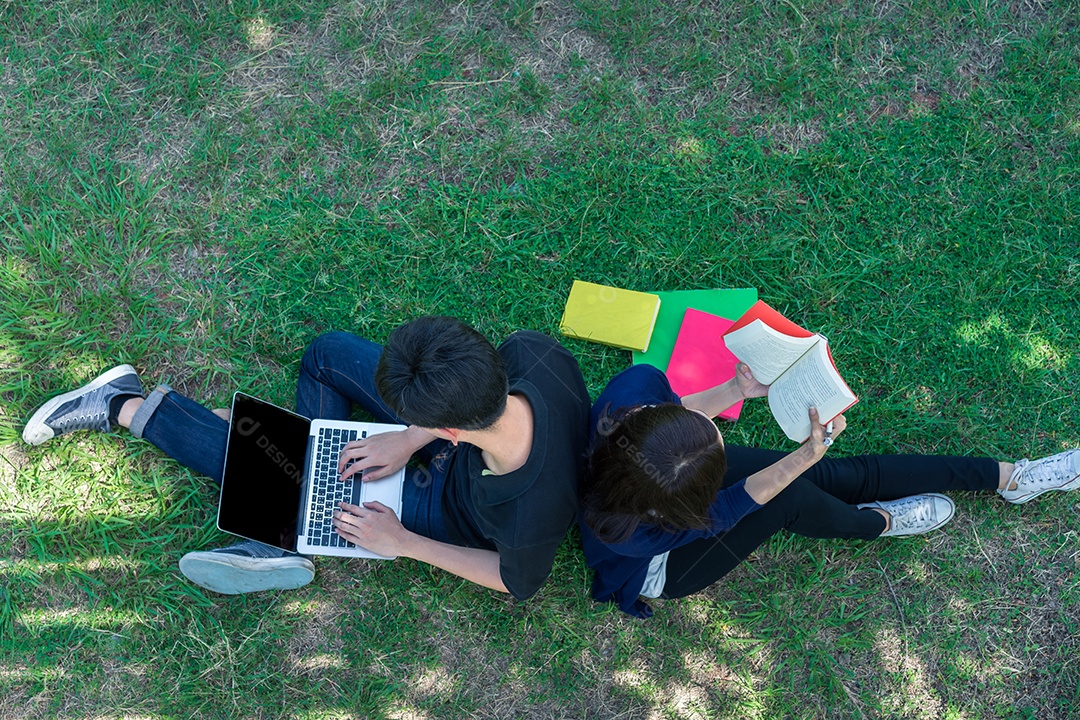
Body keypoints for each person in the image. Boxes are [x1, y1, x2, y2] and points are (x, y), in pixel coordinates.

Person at [23, 317, 591, 598]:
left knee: (289, 475)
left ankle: (120, 403)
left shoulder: (530, 512)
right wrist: (411, 436)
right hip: (450, 438)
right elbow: (461, 409)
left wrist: (404, 545)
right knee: (328, 354)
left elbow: (515, 583)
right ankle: (275, 527)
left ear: (451, 426)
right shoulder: (533, 355)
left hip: (442, 508)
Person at [579, 363, 1080, 618]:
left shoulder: (632, 395)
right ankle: (875, 523)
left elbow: (681, 411)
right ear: (689, 502)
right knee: (790, 494)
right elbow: (733, 504)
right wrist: (800, 457)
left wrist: (735, 391)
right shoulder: (636, 535)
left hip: (662, 481)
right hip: (658, 568)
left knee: (829, 474)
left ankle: (1007, 476)